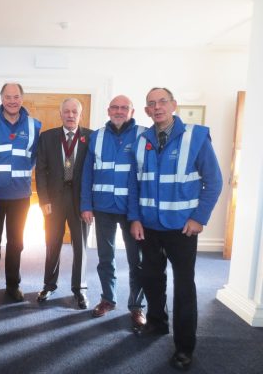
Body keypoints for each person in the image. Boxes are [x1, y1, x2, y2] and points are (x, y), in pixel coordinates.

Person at [128, 87, 222, 371]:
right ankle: (157, 324)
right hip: (149, 227)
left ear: (173, 105)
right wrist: (135, 218)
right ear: (146, 111)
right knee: (152, 280)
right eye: (151, 104)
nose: (157, 107)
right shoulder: (142, 139)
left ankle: (184, 347)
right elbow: (135, 185)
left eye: (162, 102)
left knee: (184, 288)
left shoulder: (196, 137)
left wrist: (199, 218)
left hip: (182, 229)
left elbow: (214, 182)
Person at [80, 95, 147, 329]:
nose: (119, 111)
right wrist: (86, 205)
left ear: (132, 111)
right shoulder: (96, 137)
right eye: (115, 107)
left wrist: (138, 212)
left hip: (133, 212)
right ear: (108, 110)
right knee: (105, 258)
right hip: (103, 208)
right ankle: (108, 299)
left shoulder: (143, 135)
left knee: (136, 260)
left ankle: (137, 306)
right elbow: (87, 173)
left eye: (124, 108)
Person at [0, 83, 41, 304]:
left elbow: (33, 157)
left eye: (16, 97)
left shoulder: (35, 125)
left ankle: (13, 285)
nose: (12, 101)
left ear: (22, 99)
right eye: (8, 97)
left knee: (17, 243)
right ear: (1, 99)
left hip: (20, 196)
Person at [35, 98, 92, 309]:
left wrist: (90, 204)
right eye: (66, 111)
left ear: (80, 114)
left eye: (74, 112)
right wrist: (44, 200)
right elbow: (40, 171)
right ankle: (49, 285)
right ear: (60, 114)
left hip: (81, 200)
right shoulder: (47, 137)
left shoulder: (91, 137)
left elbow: (94, 172)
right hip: (54, 200)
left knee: (81, 246)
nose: (70, 115)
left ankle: (80, 289)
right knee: (52, 243)